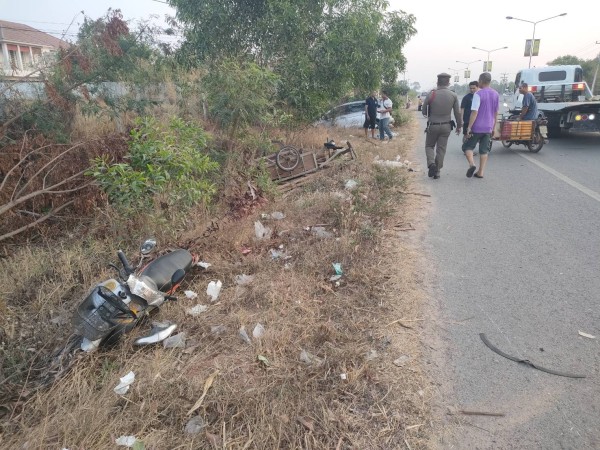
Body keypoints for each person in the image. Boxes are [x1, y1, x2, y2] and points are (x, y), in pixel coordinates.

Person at [422, 72, 462, 179]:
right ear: (448, 83)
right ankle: (437, 172)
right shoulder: (453, 95)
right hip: (446, 126)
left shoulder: (431, 94)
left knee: (429, 146)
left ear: (437, 82)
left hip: (433, 125)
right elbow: (457, 113)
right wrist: (459, 126)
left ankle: (431, 164)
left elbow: (424, 111)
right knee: (441, 149)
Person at [462, 72, 500, 179]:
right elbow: (496, 113)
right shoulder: (496, 94)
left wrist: (469, 127)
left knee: (467, 147)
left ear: (481, 81)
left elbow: (474, 112)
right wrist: (494, 127)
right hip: (488, 127)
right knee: (484, 150)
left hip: (477, 127)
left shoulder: (478, 94)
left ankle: (472, 164)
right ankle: (480, 172)